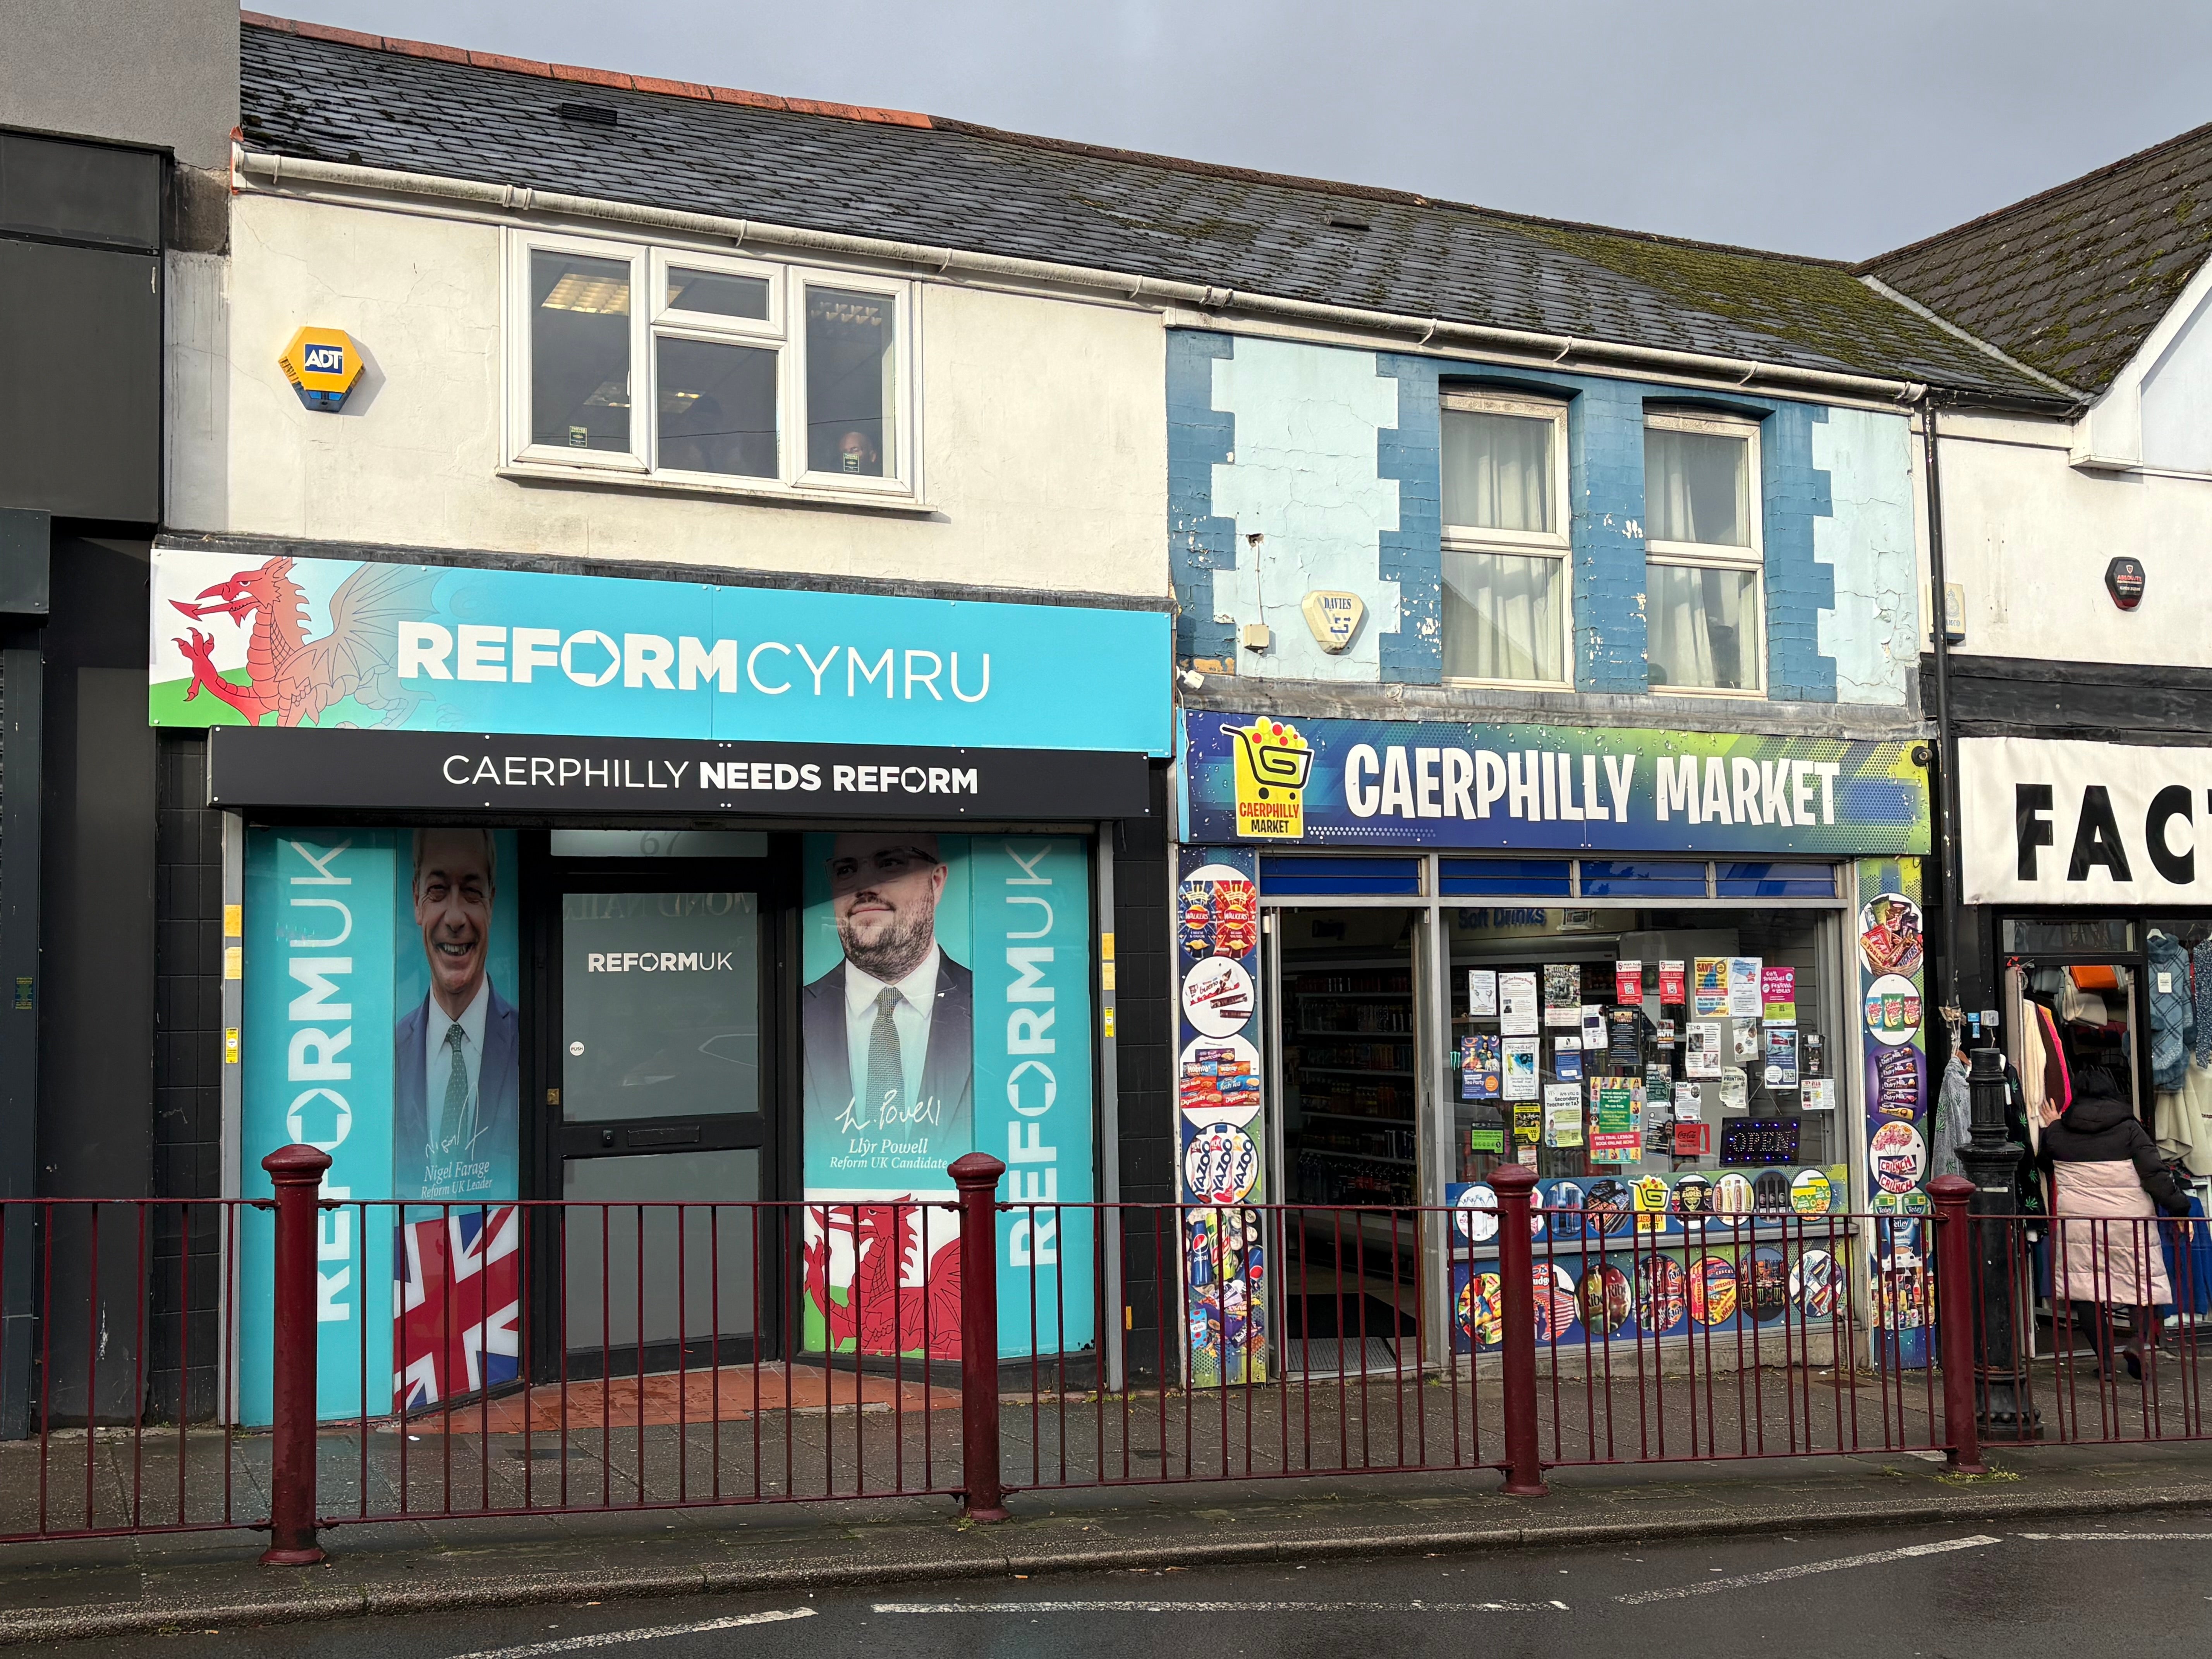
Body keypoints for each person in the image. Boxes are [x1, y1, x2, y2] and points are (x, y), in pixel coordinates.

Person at [800, 833, 972, 1149]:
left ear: (936, 883)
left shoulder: (996, 1006)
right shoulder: (792, 1014)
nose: (863, 886)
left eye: (891, 863)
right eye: (846, 870)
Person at [2040, 1064, 2190, 1380]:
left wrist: (2052, 1126)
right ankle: (2137, 1343)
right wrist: (2180, 1209)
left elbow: (2043, 1164)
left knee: (2087, 1290)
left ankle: (2106, 1364)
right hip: (2129, 1223)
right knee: (2144, 1287)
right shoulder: (2130, 1129)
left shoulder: (2059, 1131)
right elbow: (2155, 1176)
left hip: (2079, 1224)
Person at [393, 829, 519, 1199]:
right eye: (437, 891)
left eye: (471, 891)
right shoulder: (389, 1052)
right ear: (417, 901)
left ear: (491, 904)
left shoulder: (532, 1044)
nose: (454, 917)